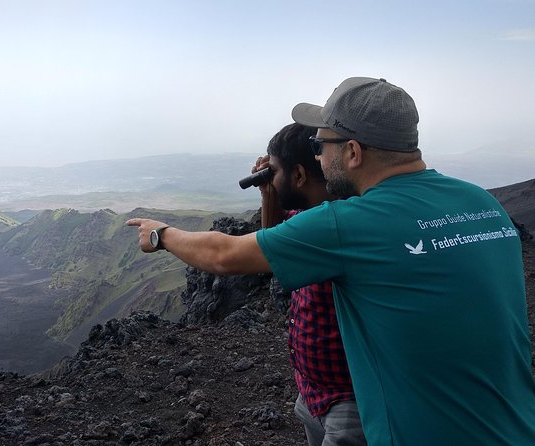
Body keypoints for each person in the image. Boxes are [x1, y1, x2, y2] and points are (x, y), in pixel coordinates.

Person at [127, 77, 535, 445]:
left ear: (353, 152)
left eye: (322, 146)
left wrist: (161, 234)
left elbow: (222, 254)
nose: (318, 158)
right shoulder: (482, 203)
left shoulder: (351, 224)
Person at [255, 123, 366, 446]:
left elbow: (231, 256)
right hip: (314, 393)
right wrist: (269, 192)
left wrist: (162, 235)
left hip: (348, 401)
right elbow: (275, 244)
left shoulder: (335, 228)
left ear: (300, 176)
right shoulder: (309, 222)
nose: (269, 177)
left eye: (273, 171)